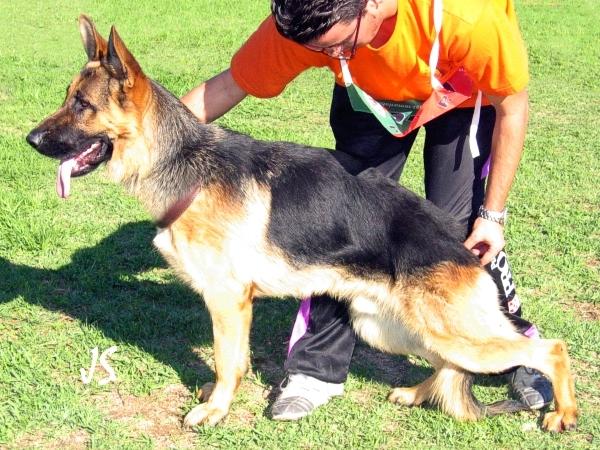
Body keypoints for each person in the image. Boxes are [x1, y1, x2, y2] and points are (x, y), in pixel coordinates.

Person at [182, 0, 553, 421]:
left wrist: (494, 214)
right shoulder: (309, 17)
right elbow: (229, 85)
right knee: (336, 223)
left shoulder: (469, 17)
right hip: (372, 100)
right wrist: (156, 143)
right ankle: (315, 370)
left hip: (460, 96)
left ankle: (518, 347)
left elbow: (513, 107)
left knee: (461, 238)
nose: (333, 58)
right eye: (323, 52)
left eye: (342, 46)